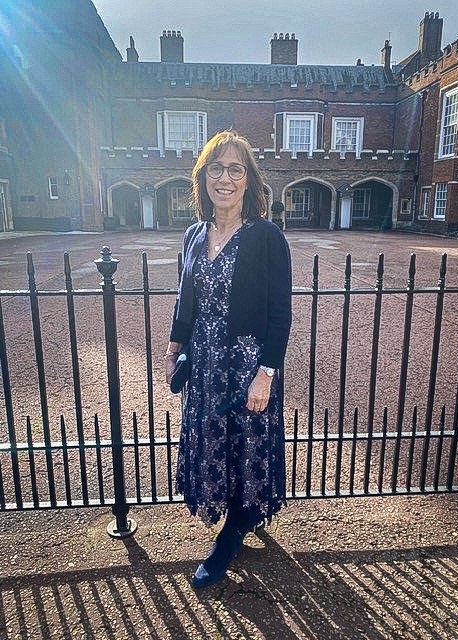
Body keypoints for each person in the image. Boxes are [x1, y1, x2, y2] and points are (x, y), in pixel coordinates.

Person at [165, 130, 292, 588]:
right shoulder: (194, 234)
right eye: (216, 168)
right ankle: (240, 517)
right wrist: (174, 348)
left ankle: (233, 531)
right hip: (205, 367)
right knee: (216, 442)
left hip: (246, 366)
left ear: (248, 179)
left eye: (235, 169)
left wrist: (266, 375)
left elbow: (281, 314)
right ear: (204, 177)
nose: (225, 177)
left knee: (248, 445)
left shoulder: (266, 236)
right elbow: (186, 300)